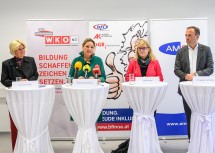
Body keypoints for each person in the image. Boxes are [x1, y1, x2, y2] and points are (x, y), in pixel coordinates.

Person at [112, 39, 164, 153]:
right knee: (139, 121)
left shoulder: (155, 62)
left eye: (144, 48)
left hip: (151, 98)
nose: (142, 50)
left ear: (148, 49)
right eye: (139, 48)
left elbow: (160, 78)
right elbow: (127, 78)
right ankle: (138, 146)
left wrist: (150, 81)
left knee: (150, 120)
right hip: (138, 98)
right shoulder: (133, 62)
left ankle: (149, 145)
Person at [174, 26, 214, 140]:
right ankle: (192, 141)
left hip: (202, 89)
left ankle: (204, 141)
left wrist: (195, 75)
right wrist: (186, 76)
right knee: (189, 116)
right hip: (186, 89)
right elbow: (177, 69)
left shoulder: (206, 50)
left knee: (202, 115)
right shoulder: (180, 51)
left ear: (197, 36)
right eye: (186, 35)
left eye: (189, 35)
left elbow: (210, 69)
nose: (187, 37)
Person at [1, 39, 39, 151]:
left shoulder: (31, 60)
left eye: (23, 48)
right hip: (15, 99)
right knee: (16, 126)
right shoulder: (6, 63)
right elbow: (3, 80)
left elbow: (35, 75)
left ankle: (31, 149)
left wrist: (28, 81)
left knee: (30, 125)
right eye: (19, 49)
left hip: (30, 97)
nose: (22, 51)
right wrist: (17, 83)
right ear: (13, 51)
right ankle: (16, 149)